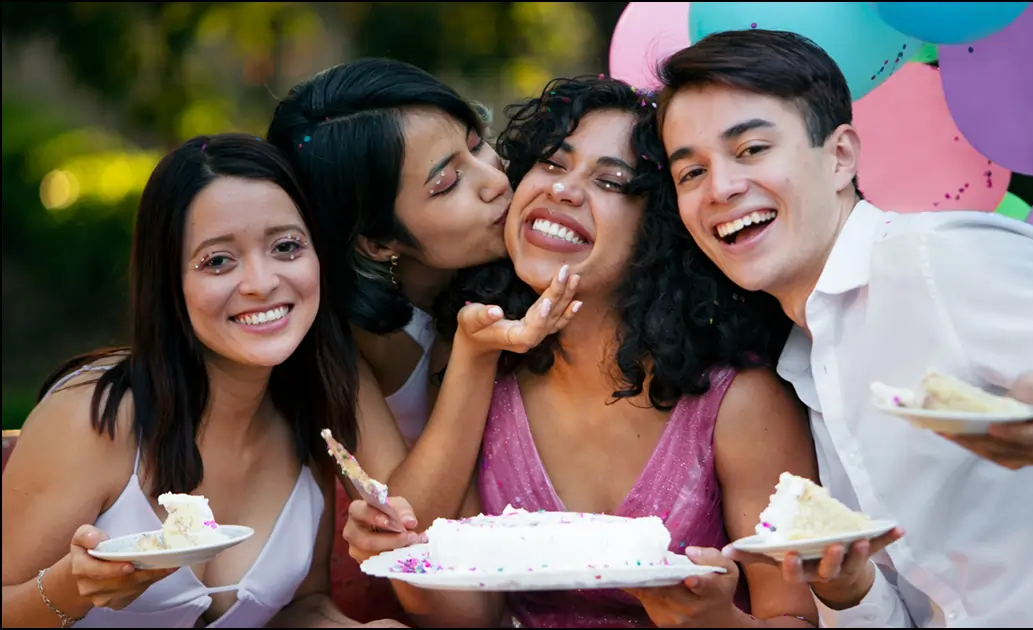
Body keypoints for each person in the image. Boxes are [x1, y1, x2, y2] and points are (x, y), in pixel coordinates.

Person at [654, 28, 1033, 628]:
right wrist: (851, 588)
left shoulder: (941, 260)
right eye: (691, 173)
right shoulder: (805, 359)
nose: (722, 188)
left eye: (752, 149)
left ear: (839, 157)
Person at [345, 75, 816, 629]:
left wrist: (719, 621)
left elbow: (799, 618)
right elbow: (469, 615)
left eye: (612, 182)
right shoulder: (486, 375)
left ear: (661, 228)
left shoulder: (740, 403)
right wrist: (401, 556)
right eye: (551, 163)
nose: (563, 190)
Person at [0, 134, 402, 628]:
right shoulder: (93, 417)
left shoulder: (311, 411)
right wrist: (73, 586)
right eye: (217, 260)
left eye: (286, 246)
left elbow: (299, 608)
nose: (260, 281)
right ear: (169, 282)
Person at [266, 59, 578, 539]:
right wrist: (473, 355)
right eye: (447, 183)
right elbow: (405, 518)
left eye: (477, 146)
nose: (495, 180)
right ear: (377, 241)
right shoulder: (338, 340)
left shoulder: (540, 244)